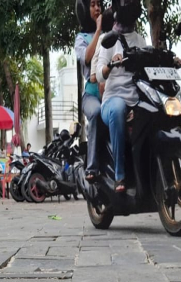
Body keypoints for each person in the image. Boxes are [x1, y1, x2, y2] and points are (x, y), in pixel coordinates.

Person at [96, 0, 148, 192]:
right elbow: (99, 74)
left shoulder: (140, 40)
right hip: (112, 100)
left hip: (136, 98)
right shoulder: (109, 40)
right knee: (118, 109)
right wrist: (110, 64)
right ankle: (120, 176)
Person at [75, 0, 103, 181]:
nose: (97, 8)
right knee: (97, 113)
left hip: (113, 90)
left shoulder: (112, 32)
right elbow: (86, 58)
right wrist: (99, 31)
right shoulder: (81, 38)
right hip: (92, 94)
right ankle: (92, 167)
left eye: (99, 4)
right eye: (93, 4)